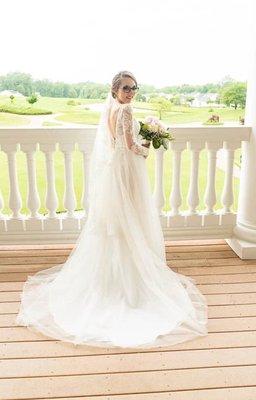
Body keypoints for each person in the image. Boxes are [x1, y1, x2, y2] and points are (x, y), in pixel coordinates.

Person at [16, 70, 208, 349]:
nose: (131, 92)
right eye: (126, 88)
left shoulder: (111, 110)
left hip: (114, 172)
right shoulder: (126, 111)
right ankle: (128, 286)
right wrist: (148, 147)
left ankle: (108, 280)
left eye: (134, 88)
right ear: (115, 89)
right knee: (130, 220)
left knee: (115, 224)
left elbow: (115, 141)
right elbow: (130, 146)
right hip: (126, 171)